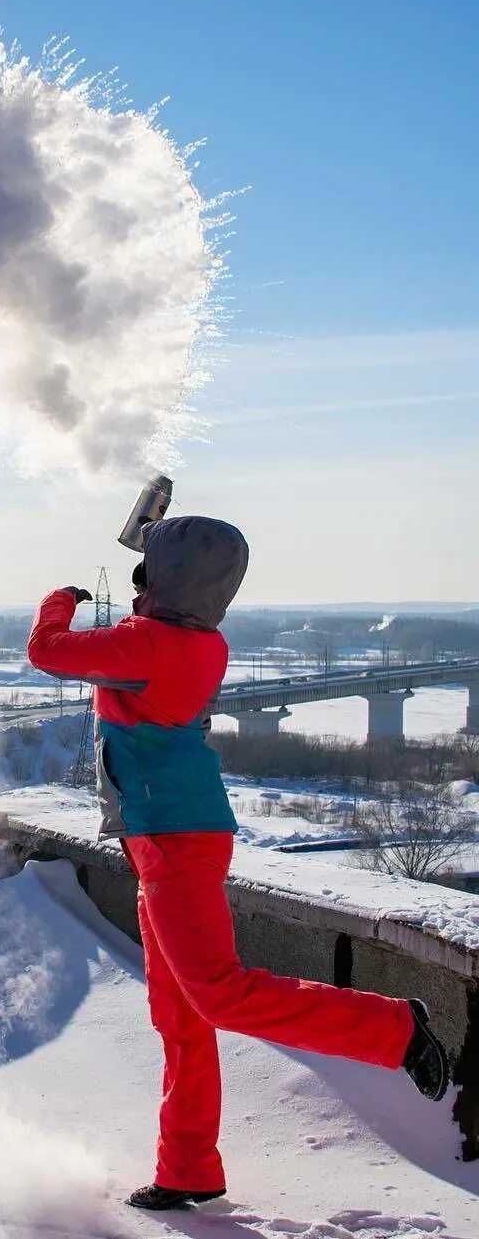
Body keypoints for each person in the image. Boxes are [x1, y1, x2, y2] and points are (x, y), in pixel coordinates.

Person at [26, 515, 450, 1212]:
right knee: (181, 1012)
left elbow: (49, 650)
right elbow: (139, 648)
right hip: (166, 835)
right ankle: (187, 1165)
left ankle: (396, 1027)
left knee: (216, 992)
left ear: (159, 580)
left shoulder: (146, 642)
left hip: (175, 837)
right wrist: (153, 582)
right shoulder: (201, 642)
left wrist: (60, 597)